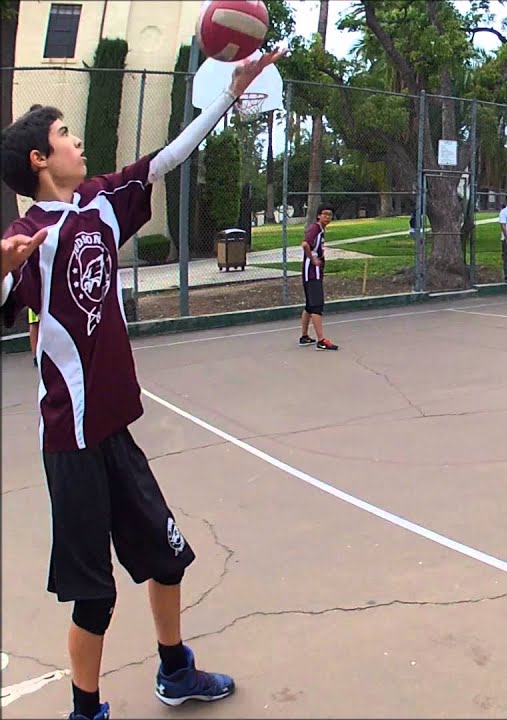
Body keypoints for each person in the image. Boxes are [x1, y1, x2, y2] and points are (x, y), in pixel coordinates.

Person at [0, 50, 283, 720]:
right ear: (40, 159)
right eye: (66, 135)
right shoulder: (26, 236)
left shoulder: (99, 204)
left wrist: (227, 97)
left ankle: (175, 670)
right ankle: (86, 709)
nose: (77, 141)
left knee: (168, 559)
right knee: (94, 596)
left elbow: (165, 158)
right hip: (70, 443)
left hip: (114, 431)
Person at [299, 205, 338, 350]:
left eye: (330, 215)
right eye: (325, 214)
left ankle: (304, 336)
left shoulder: (321, 230)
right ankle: (321, 340)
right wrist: (313, 259)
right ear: (318, 216)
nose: (328, 217)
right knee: (317, 306)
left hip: (313, 272)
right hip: (312, 273)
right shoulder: (315, 229)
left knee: (309, 305)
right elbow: (305, 244)